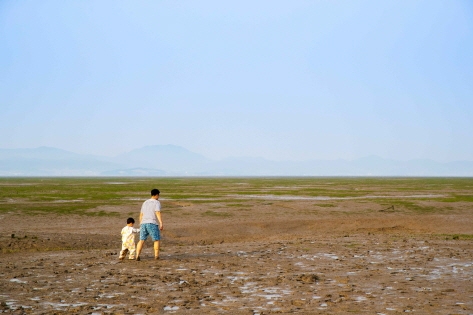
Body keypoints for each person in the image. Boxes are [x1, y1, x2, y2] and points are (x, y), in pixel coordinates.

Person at [135, 188, 164, 261]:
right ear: (156, 195)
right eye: (158, 195)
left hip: (143, 223)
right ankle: (156, 256)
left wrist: (140, 223)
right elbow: (157, 212)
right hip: (152, 223)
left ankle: (137, 255)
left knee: (141, 240)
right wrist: (161, 223)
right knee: (156, 240)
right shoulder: (157, 202)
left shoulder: (145, 202)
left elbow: (141, 214)